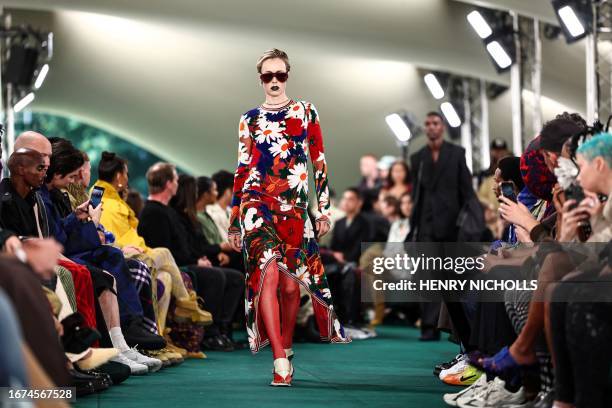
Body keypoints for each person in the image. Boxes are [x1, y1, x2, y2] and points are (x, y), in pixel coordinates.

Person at [228, 48, 350, 386]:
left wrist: (322, 209)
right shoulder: (248, 118)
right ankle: (280, 359)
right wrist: (233, 217)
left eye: (280, 74)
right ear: (260, 79)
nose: (274, 81)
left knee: (290, 285)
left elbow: (318, 161)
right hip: (256, 202)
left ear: (288, 75)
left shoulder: (306, 111)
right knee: (267, 272)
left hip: (294, 204)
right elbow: (241, 168)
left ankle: (287, 343)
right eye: (268, 76)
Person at [406, 111, 476, 341]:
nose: (431, 127)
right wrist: (413, 226)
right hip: (426, 223)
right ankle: (428, 326)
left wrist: (471, 219)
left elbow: (466, 189)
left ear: (443, 127)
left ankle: (453, 327)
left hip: (452, 224)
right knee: (426, 276)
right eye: (427, 124)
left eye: (435, 123)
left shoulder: (457, 153)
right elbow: (416, 194)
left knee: (451, 277)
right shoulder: (418, 158)